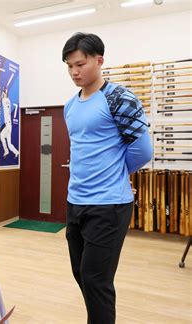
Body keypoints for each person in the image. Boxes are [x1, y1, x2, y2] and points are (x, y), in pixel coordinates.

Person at [62, 33, 152, 323]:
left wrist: (113, 173)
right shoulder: (70, 106)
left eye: (80, 64)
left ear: (99, 60)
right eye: (69, 66)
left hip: (109, 205)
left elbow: (141, 151)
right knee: (82, 274)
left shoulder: (119, 98)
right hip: (75, 201)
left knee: (96, 279)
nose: (75, 72)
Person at [0, 87, 19, 158]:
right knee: (6, 140)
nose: (4, 93)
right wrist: (4, 92)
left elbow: (2, 99)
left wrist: (3, 93)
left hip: (8, 125)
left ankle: (8, 151)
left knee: (4, 138)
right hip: (8, 125)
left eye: (5, 92)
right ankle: (15, 152)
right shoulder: (8, 100)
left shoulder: (5, 100)